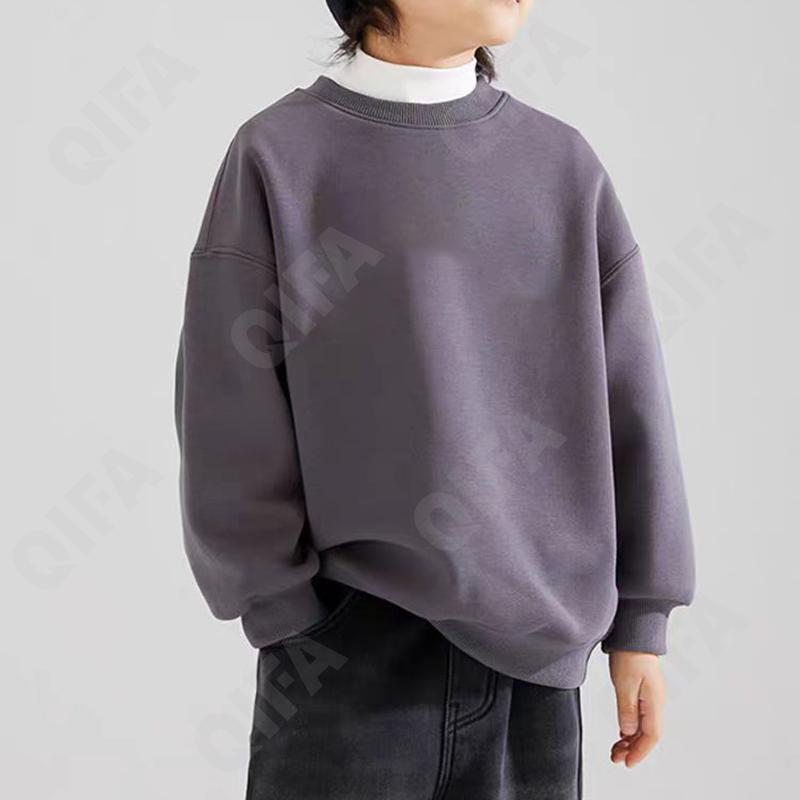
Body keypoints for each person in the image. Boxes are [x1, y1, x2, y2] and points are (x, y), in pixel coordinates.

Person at [174, 1, 696, 797]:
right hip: (348, 649)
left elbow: (632, 401)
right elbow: (226, 400)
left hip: (539, 666)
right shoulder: (279, 156)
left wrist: (642, 625)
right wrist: (286, 614)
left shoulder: (561, 165)